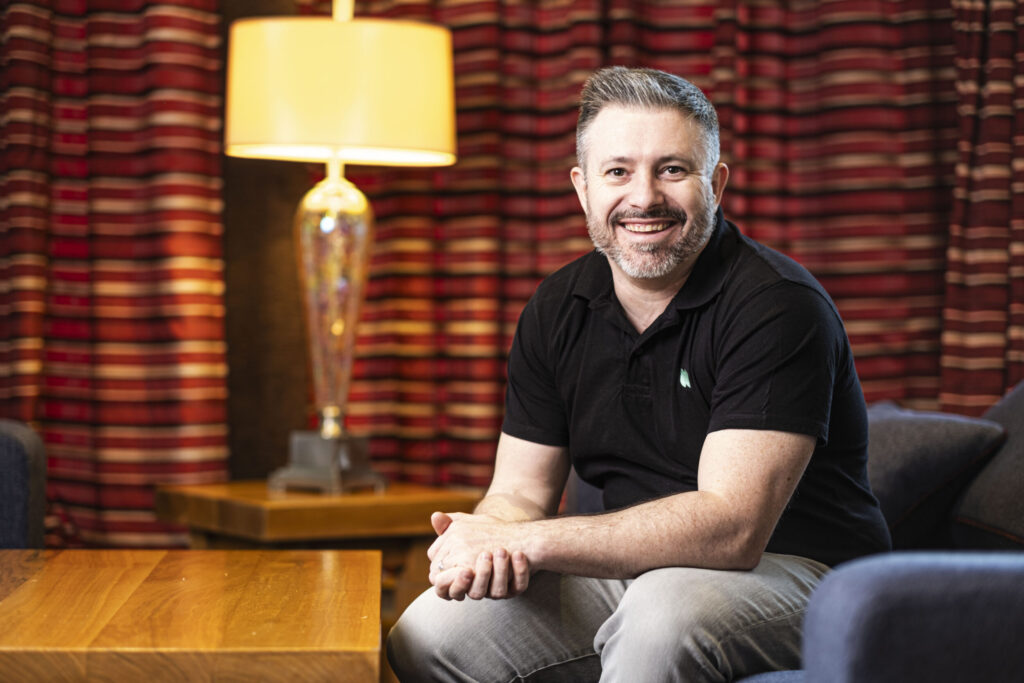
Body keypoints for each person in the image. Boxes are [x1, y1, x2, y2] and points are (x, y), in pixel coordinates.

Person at [386, 66, 891, 682]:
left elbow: (731, 528)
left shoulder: (777, 305)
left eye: (672, 169)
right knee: (430, 632)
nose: (644, 197)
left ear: (717, 183)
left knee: (661, 615)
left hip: (806, 575)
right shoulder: (557, 307)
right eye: (618, 171)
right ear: (582, 188)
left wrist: (533, 543)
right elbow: (519, 493)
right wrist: (488, 539)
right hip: (639, 571)